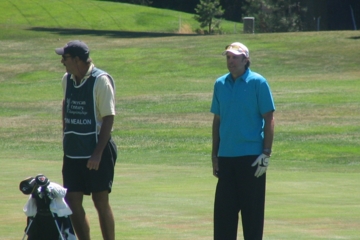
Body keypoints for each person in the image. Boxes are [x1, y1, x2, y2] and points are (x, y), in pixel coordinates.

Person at [210, 42, 275, 240]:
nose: (230, 61)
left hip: (252, 159)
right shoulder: (220, 84)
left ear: (245, 60)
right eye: (228, 57)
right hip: (226, 157)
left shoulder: (258, 82)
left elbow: (269, 118)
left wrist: (266, 153)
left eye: (235, 57)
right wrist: (214, 154)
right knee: (224, 216)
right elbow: (217, 120)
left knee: (252, 216)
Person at [55, 40, 117, 240]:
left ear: (77, 60)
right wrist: (66, 133)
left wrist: (97, 154)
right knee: (72, 201)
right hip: (73, 151)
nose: (62, 62)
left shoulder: (100, 81)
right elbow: (66, 104)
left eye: (65, 58)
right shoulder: (67, 79)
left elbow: (108, 117)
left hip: (97, 150)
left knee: (100, 202)